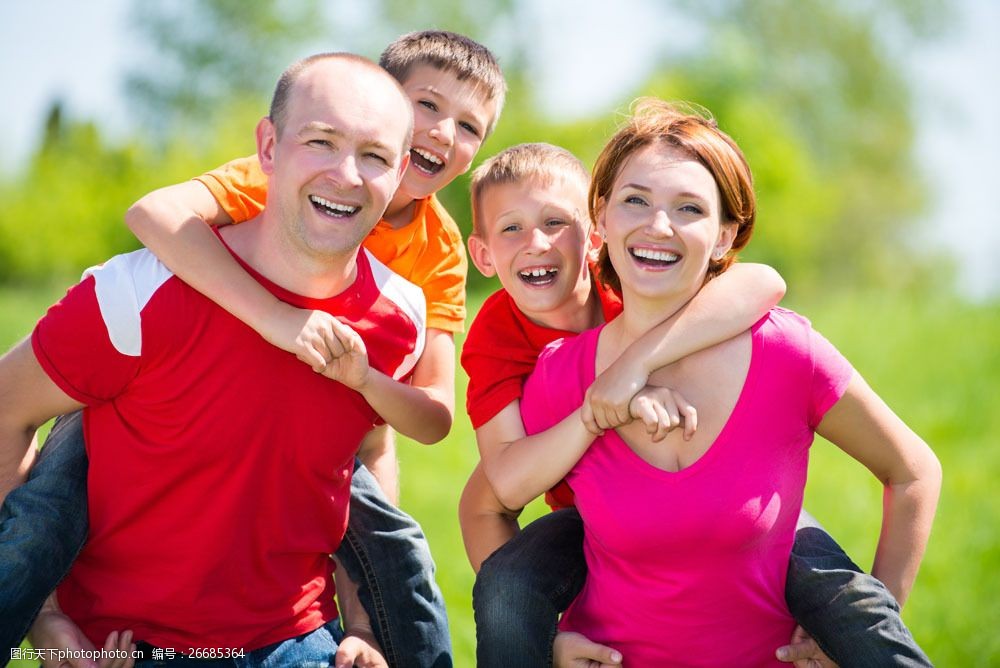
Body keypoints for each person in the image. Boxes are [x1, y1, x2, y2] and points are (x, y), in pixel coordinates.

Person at [3, 30, 505, 668]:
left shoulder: (430, 260)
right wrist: (276, 320)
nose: (442, 132)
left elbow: (401, 420)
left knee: (397, 547)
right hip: (130, 608)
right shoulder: (234, 207)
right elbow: (155, 212)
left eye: (469, 126)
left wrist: (365, 629)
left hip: (294, 611)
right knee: (48, 503)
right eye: (427, 107)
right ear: (271, 147)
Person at [486, 99, 941, 666]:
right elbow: (492, 503)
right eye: (635, 201)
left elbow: (913, 471)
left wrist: (859, 632)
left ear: (725, 237)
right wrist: (541, 639)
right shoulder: (559, 374)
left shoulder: (784, 352)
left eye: (689, 209)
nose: (658, 226)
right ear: (600, 218)